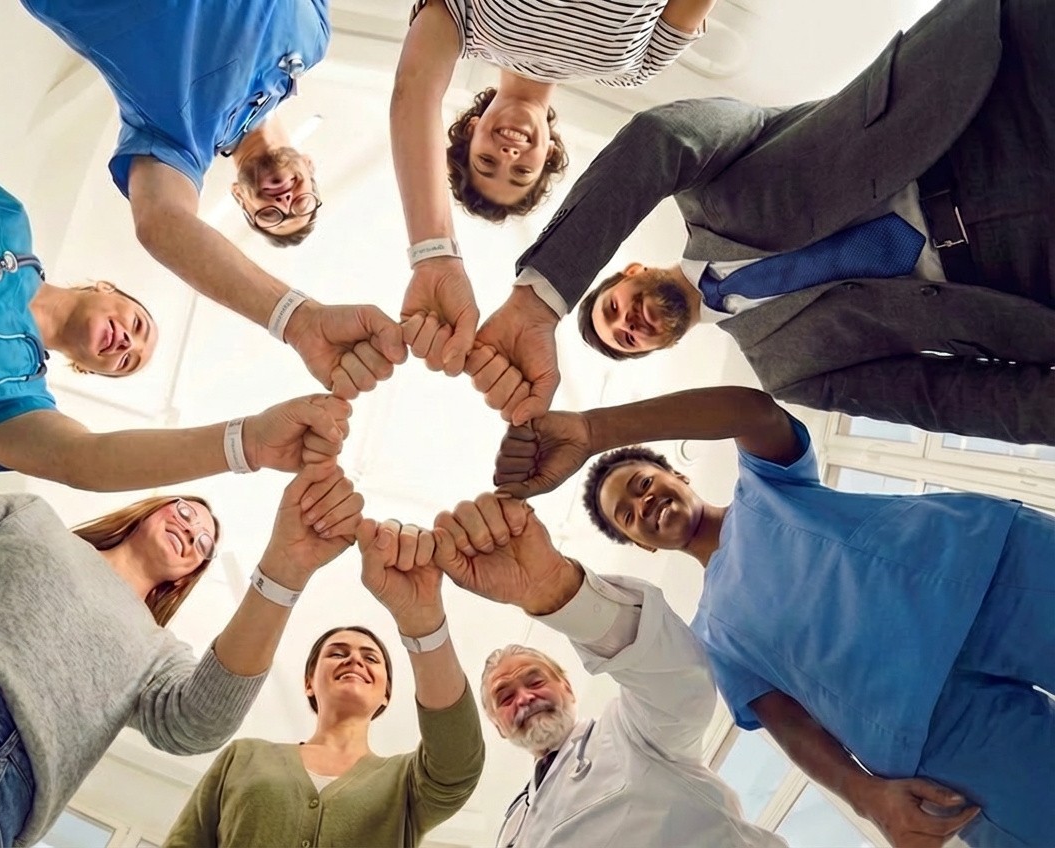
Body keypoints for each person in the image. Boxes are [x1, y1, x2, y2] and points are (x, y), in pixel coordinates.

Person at [469, 0, 1055, 446]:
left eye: (614, 307)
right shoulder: (789, 372)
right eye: (627, 338)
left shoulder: (705, 184)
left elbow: (661, 139)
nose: (631, 322)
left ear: (632, 270)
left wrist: (538, 301)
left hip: (991, 99)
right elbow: (942, 399)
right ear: (655, 349)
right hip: (1023, 268)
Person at [494, 386, 1054, 846]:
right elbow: (791, 726)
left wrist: (594, 431)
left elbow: (753, 412)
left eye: (644, 484)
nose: (645, 504)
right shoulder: (712, 637)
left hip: (986, 579)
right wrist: (867, 798)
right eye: (629, 515)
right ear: (640, 545)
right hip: (928, 729)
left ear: (680, 477)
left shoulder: (769, 485)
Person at [0, 462, 366, 846]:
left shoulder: (160, 652)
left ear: (188, 575)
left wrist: (284, 571)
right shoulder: (32, 517)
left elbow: (199, 723)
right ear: (150, 509)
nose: (193, 533)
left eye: (204, 545)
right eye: (187, 513)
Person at [0, 106, 353, 490]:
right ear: (105, 288)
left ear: (87, 370)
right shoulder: (4, 219)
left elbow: (85, 460)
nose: (126, 341)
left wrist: (246, 443)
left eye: (125, 359)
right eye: (137, 324)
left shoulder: (6, 400)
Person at [19, 0, 407, 399]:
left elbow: (160, 220)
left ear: (241, 198)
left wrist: (298, 319)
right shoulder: (313, 42)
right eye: (303, 203)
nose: (286, 201)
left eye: (271, 215)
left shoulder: (180, 143)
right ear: (310, 166)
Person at [393, 0, 712, 403]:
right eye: (521, 172)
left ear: (472, 129)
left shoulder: (464, 24)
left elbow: (414, 90)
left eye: (486, 162)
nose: (508, 156)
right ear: (546, 155)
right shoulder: (632, 70)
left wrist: (433, 255)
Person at [425, 492, 782, 847]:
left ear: (567, 687)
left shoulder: (632, 732)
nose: (524, 697)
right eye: (504, 697)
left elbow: (677, 681)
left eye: (535, 680)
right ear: (498, 728)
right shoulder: (511, 830)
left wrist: (555, 590)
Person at [164, 518, 484, 847]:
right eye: (337, 653)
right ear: (308, 683)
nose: (354, 660)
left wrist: (424, 623)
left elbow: (458, 762)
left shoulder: (407, 783)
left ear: (386, 695)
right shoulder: (244, 757)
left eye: (371, 658)